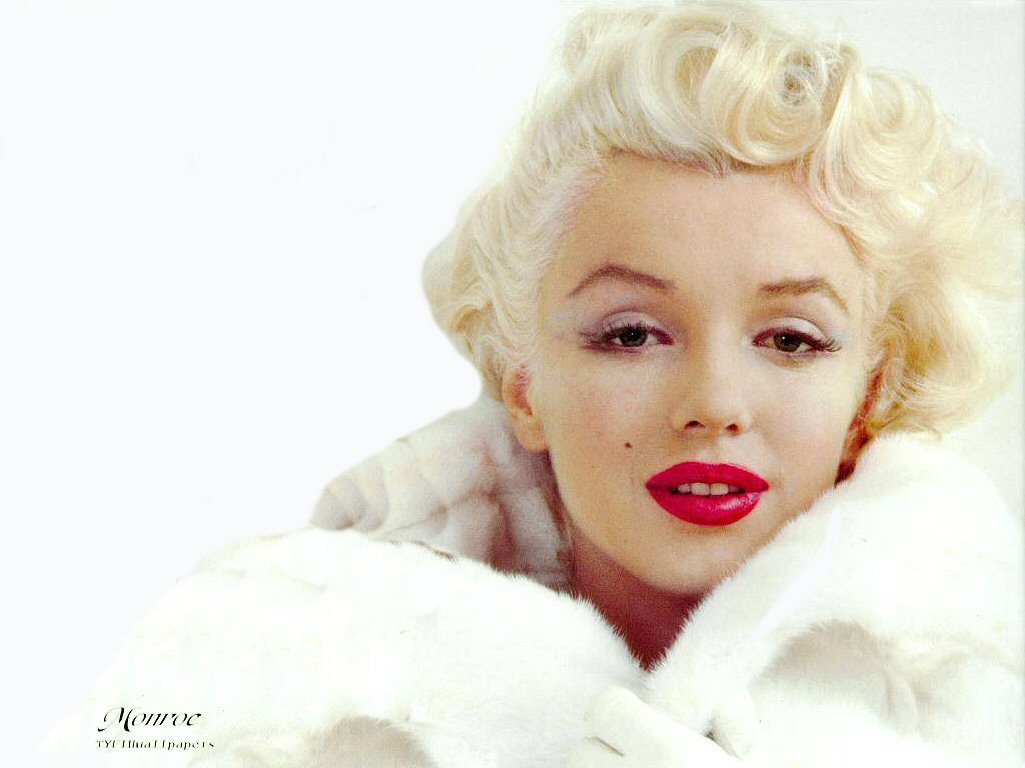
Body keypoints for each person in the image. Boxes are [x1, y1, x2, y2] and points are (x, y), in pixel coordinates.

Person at [47, 2, 1021, 766]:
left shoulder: (990, 710)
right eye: (631, 333)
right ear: (522, 385)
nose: (713, 403)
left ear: (870, 392)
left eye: (791, 340)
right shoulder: (251, 673)